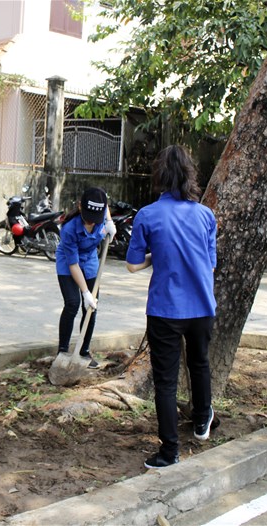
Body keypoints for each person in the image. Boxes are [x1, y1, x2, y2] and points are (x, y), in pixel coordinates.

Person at [125, 145, 218, 469]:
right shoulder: (206, 215)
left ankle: (169, 451)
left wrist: (157, 257)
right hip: (202, 306)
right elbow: (209, 265)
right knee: (200, 364)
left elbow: (133, 265)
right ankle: (203, 419)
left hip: (165, 309)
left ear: (160, 177)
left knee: (165, 382)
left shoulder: (147, 215)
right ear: (190, 175)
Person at [55, 187, 116, 369]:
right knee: (73, 303)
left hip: (89, 260)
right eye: (88, 218)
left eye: (95, 219)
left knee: (91, 307)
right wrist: (85, 292)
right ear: (80, 206)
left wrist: (110, 224)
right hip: (68, 263)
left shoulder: (100, 209)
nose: (91, 222)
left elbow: (106, 211)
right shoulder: (69, 229)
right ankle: (63, 349)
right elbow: (73, 265)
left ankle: (83, 350)